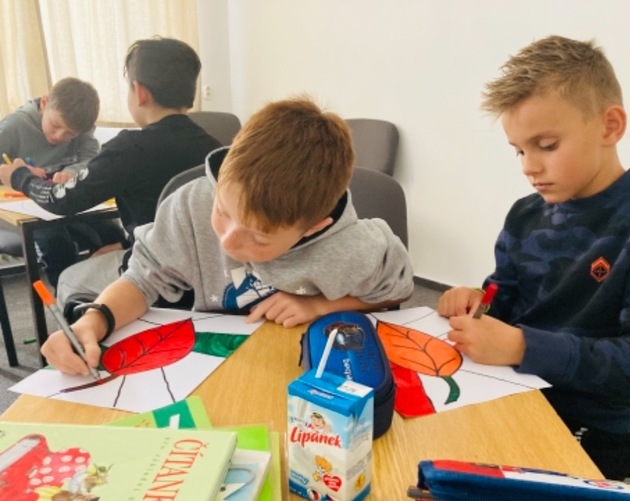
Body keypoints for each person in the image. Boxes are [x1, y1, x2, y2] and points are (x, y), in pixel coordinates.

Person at [437, 35, 630, 480]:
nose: (529, 166)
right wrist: (477, 302)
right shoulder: (525, 214)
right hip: (503, 390)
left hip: (588, 421)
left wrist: (522, 346)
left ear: (609, 126)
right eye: (519, 150)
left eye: (546, 145)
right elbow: (503, 296)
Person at [40, 96, 414, 377]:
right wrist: (95, 320)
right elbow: (143, 278)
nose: (228, 243)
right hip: (212, 366)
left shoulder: (353, 246)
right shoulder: (191, 203)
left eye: (259, 238)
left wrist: (317, 306)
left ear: (313, 228)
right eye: (223, 212)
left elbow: (395, 289)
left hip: (296, 370)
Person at [0, 37, 221, 300]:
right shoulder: (216, 150)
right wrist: (126, 243)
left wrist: (19, 176)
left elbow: (61, 199)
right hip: (212, 275)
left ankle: (90, 326)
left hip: (156, 272)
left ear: (139, 92)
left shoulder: (129, 149)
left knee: (69, 280)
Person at [0, 77, 126, 286]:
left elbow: (91, 159)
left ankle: (106, 292)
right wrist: (18, 173)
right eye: (56, 125)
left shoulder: (83, 128)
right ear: (44, 103)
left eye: (70, 134)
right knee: (57, 243)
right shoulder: (13, 127)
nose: (59, 136)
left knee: (112, 234)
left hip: (64, 203)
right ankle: (65, 295)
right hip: (23, 210)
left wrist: (71, 172)